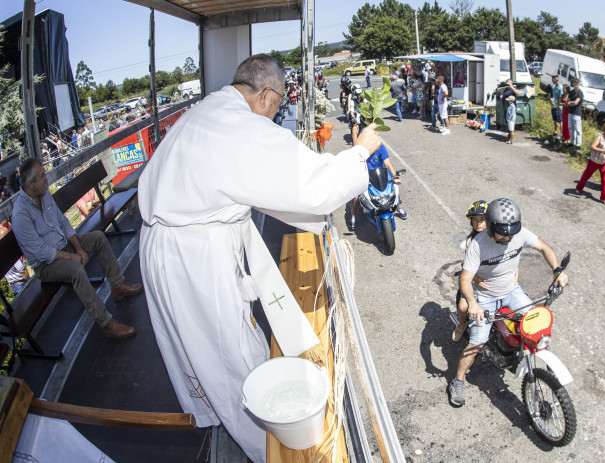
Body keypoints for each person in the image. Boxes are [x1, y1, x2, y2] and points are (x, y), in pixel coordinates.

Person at [137, 54, 382, 463]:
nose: (278, 109)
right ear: (267, 94)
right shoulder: (239, 126)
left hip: (169, 247)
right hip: (194, 261)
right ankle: (267, 448)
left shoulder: (209, 111)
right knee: (228, 357)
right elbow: (309, 185)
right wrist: (358, 154)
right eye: (281, 100)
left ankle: (224, 417)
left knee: (200, 349)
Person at [448, 198, 568, 407]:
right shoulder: (478, 245)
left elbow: (544, 247)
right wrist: (473, 304)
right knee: (477, 341)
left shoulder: (517, 234)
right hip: (485, 298)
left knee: (536, 325)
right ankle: (457, 381)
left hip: (512, 291)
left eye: (511, 232)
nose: (508, 237)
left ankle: (542, 362)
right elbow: (465, 279)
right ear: (492, 227)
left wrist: (557, 270)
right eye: (503, 233)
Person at [11, 159, 142, 339]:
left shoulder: (44, 194)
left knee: (98, 238)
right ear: (30, 184)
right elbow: (40, 251)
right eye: (42, 176)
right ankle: (106, 322)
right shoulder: (21, 214)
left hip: (63, 246)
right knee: (76, 270)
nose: (46, 179)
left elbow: (63, 222)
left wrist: (78, 248)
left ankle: (117, 284)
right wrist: (71, 257)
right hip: (46, 264)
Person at [348, 123, 406, 230]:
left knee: (393, 190)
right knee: (355, 197)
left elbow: (388, 163)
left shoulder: (380, 148)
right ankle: (353, 217)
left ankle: (399, 207)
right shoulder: (359, 150)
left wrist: (395, 177)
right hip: (365, 176)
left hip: (380, 175)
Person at [451, 200, 489, 343]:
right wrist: (476, 279)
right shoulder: (471, 241)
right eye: (475, 220)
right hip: (474, 278)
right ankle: (461, 324)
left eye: (482, 220)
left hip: (493, 279)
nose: (478, 223)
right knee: (462, 307)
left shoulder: (498, 237)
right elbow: (467, 267)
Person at [575, 121, 605, 205]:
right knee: (586, 175)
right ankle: (579, 188)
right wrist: (602, 150)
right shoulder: (600, 136)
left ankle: (604, 198)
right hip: (594, 160)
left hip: (604, 162)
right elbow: (592, 147)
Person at [566, 78, 583, 149]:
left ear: (578, 84)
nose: (575, 85)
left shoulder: (580, 93)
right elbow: (567, 102)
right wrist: (570, 103)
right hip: (571, 112)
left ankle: (578, 144)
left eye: (576, 84)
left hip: (577, 113)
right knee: (571, 128)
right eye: (574, 84)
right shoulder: (571, 92)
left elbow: (576, 102)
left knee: (578, 129)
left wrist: (571, 103)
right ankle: (572, 142)